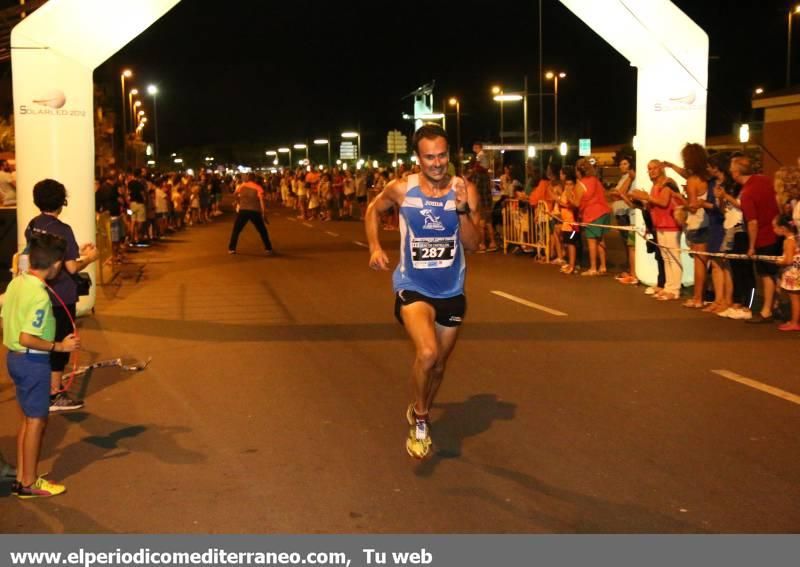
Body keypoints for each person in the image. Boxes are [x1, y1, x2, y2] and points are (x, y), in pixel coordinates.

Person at [365, 124, 480, 460]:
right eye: (429, 157)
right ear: (418, 158)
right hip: (412, 286)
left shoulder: (464, 189)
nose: (437, 162)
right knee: (427, 353)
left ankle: (422, 406)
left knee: (440, 366)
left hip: (452, 290)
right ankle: (421, 417)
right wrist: (374, 246)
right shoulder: (401, 189)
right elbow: (373, 209)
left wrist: (461, 209)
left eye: (442, 155)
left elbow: (473, 244)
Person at [2, 233, 81, 498]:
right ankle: (28, 483)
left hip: (14, 357)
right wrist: (60, 346)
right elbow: (28, 336)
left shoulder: (17, 283)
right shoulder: (39, 295)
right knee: (37, 422)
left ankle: (24, 477)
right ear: (57, 264)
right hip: (32, 360)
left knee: (28, 420)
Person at [25, 179, 98, 411]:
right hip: (62, 296)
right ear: (62, 202)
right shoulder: (62, 230)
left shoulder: (33, 225)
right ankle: (55, 393)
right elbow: (72, 268)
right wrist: (90, 257)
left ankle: (44, 386)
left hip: (40, 292)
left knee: (43, 339)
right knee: (61, 343)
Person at [731, 156, 780, 323]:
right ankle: (775, 304)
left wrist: (751, 246)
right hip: (777, 232)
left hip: (764, 237)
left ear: (737, 173)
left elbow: (752, 222)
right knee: (776, 273)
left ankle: (766, 311)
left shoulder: (747, 193)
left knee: (766, 275)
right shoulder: (765, 180)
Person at [664, 144, 711, 309]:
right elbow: (686, 174)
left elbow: (692, 206)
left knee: (699, 262)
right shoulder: (706, 177)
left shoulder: (692, 181)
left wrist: (679, 197)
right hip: (707, 222)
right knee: (704, 262)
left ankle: (698, 298)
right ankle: (701, 296)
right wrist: (671, 166)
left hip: (696, 223)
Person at [632, 160, 683, 300]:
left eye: (654, 168)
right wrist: (641, 201)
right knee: (666, 258)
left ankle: (675, 289)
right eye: (649, 169)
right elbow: (653, 205)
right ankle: (668, 286)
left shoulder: (668, 183)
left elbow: (663, 202)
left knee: (673, 257)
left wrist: (647, 197)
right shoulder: (654, 186)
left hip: (671, 225)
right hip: (660, 225)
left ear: (661, 169)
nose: (652, 171)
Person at [568, 159, 612, 276]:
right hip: (604, 211)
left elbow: (577, 203)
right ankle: (603, 266)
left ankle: (593, 268)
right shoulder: (596, 180)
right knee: (601, 240)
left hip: (592, 214)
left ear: (578, 171)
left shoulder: (581, 183)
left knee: (591, 241)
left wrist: (570, 197)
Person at [228, 173, 273, 255]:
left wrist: (238, 201)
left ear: (248, 178)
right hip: (254, 210)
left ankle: (232, 248)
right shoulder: (258, 187)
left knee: (236, 230)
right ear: (255, 179)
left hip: (243, 210)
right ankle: (268, 248)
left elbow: (234, 194)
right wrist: (264, 213)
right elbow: (261, 201)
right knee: (262, 230)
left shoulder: (242, 185)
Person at [608, 157, 637, 282]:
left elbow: (619, 193)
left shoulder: (630, 178)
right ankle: (630, 267)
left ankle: (633, 270)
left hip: (626, 213)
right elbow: (613, 194)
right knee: (627, 243)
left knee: (630, 243)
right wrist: (616, 194)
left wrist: (619, 195)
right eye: (621, 163)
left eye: (626, 164)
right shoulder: (623, 178)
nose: (622, 166)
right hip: (622, 213)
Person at [774, 215, 800, 331]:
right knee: (795, 298)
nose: (774, 230)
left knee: (794, 299)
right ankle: (794, 320)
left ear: (783, 228)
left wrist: (779, 261)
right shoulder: (795, 238)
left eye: (775, 227)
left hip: (793, 273)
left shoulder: (788, 241)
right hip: (796, 271)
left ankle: (794, 322)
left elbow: (789, 260)